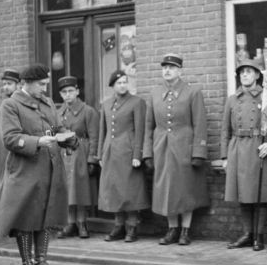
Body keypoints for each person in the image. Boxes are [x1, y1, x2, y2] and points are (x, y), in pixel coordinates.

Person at [0, 63, 77, 265]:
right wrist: (38, 141)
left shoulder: (47, 103)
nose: (44, 89)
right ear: (26, 83)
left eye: (45, 84)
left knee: (46, 214)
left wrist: (68, 138)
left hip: (49, 167)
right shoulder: (10, 105)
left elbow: (56, 129)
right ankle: (26, 264)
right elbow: (10, 138)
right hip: (24, 170)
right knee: (25, 216)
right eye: (41, 84)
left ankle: (41, 261)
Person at [221, 59, 267, 251]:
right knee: (243, 194)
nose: (244, 75)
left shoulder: (266, 97)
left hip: (259, 148)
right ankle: (247, 234)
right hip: (237, 148)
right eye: (242, 72)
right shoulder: (232, 99)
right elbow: (225, 131)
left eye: (249, 72)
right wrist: (225, 157)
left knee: (260, 194)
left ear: (257, 75)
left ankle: (259, 236)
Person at [143, 54, 209, 246]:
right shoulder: (155, 93)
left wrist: (198, 152)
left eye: (171, 67)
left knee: (185, 189)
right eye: (164, 67)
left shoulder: (192, 92)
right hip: (162, 148)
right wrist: (148, 152)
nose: (167, 71)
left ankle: (185, 231)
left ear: (180, 71)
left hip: (184, 147)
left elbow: (200, 124)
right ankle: (172, 229)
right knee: (167, 189)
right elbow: (149, 126)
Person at [98, 70, 150, 242]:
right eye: (119, 83)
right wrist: (100, 154)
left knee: (130, 190)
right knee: (114, 189)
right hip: (110, 153)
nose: (122, 85)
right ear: (113, 85)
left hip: (128, 153)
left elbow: (140, 131)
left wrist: (138, 155)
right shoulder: (106, 104)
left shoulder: (137, 102)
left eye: (124, 82)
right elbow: (102, 131)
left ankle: (132, 226)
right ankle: (118, 225)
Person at [57, 76, 100, 239]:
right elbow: (52, 132)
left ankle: (82, 222)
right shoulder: (58, 112)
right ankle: (70, 223)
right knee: (67, 189)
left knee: (80, 189)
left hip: (80, 153)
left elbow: (94, 137)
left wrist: (92, 160)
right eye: (64, 92)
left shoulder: (88, 111)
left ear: (77, 91)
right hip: (63, 155)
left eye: (70, 91)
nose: (68, 95)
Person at [0, 69, 21, 203]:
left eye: (9, 83)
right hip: (1, 148)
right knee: (1, 182)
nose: (5, 87)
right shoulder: (3, 103)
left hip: (13, 147)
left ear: (18, 85)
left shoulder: (20, 103)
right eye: (4, 84)